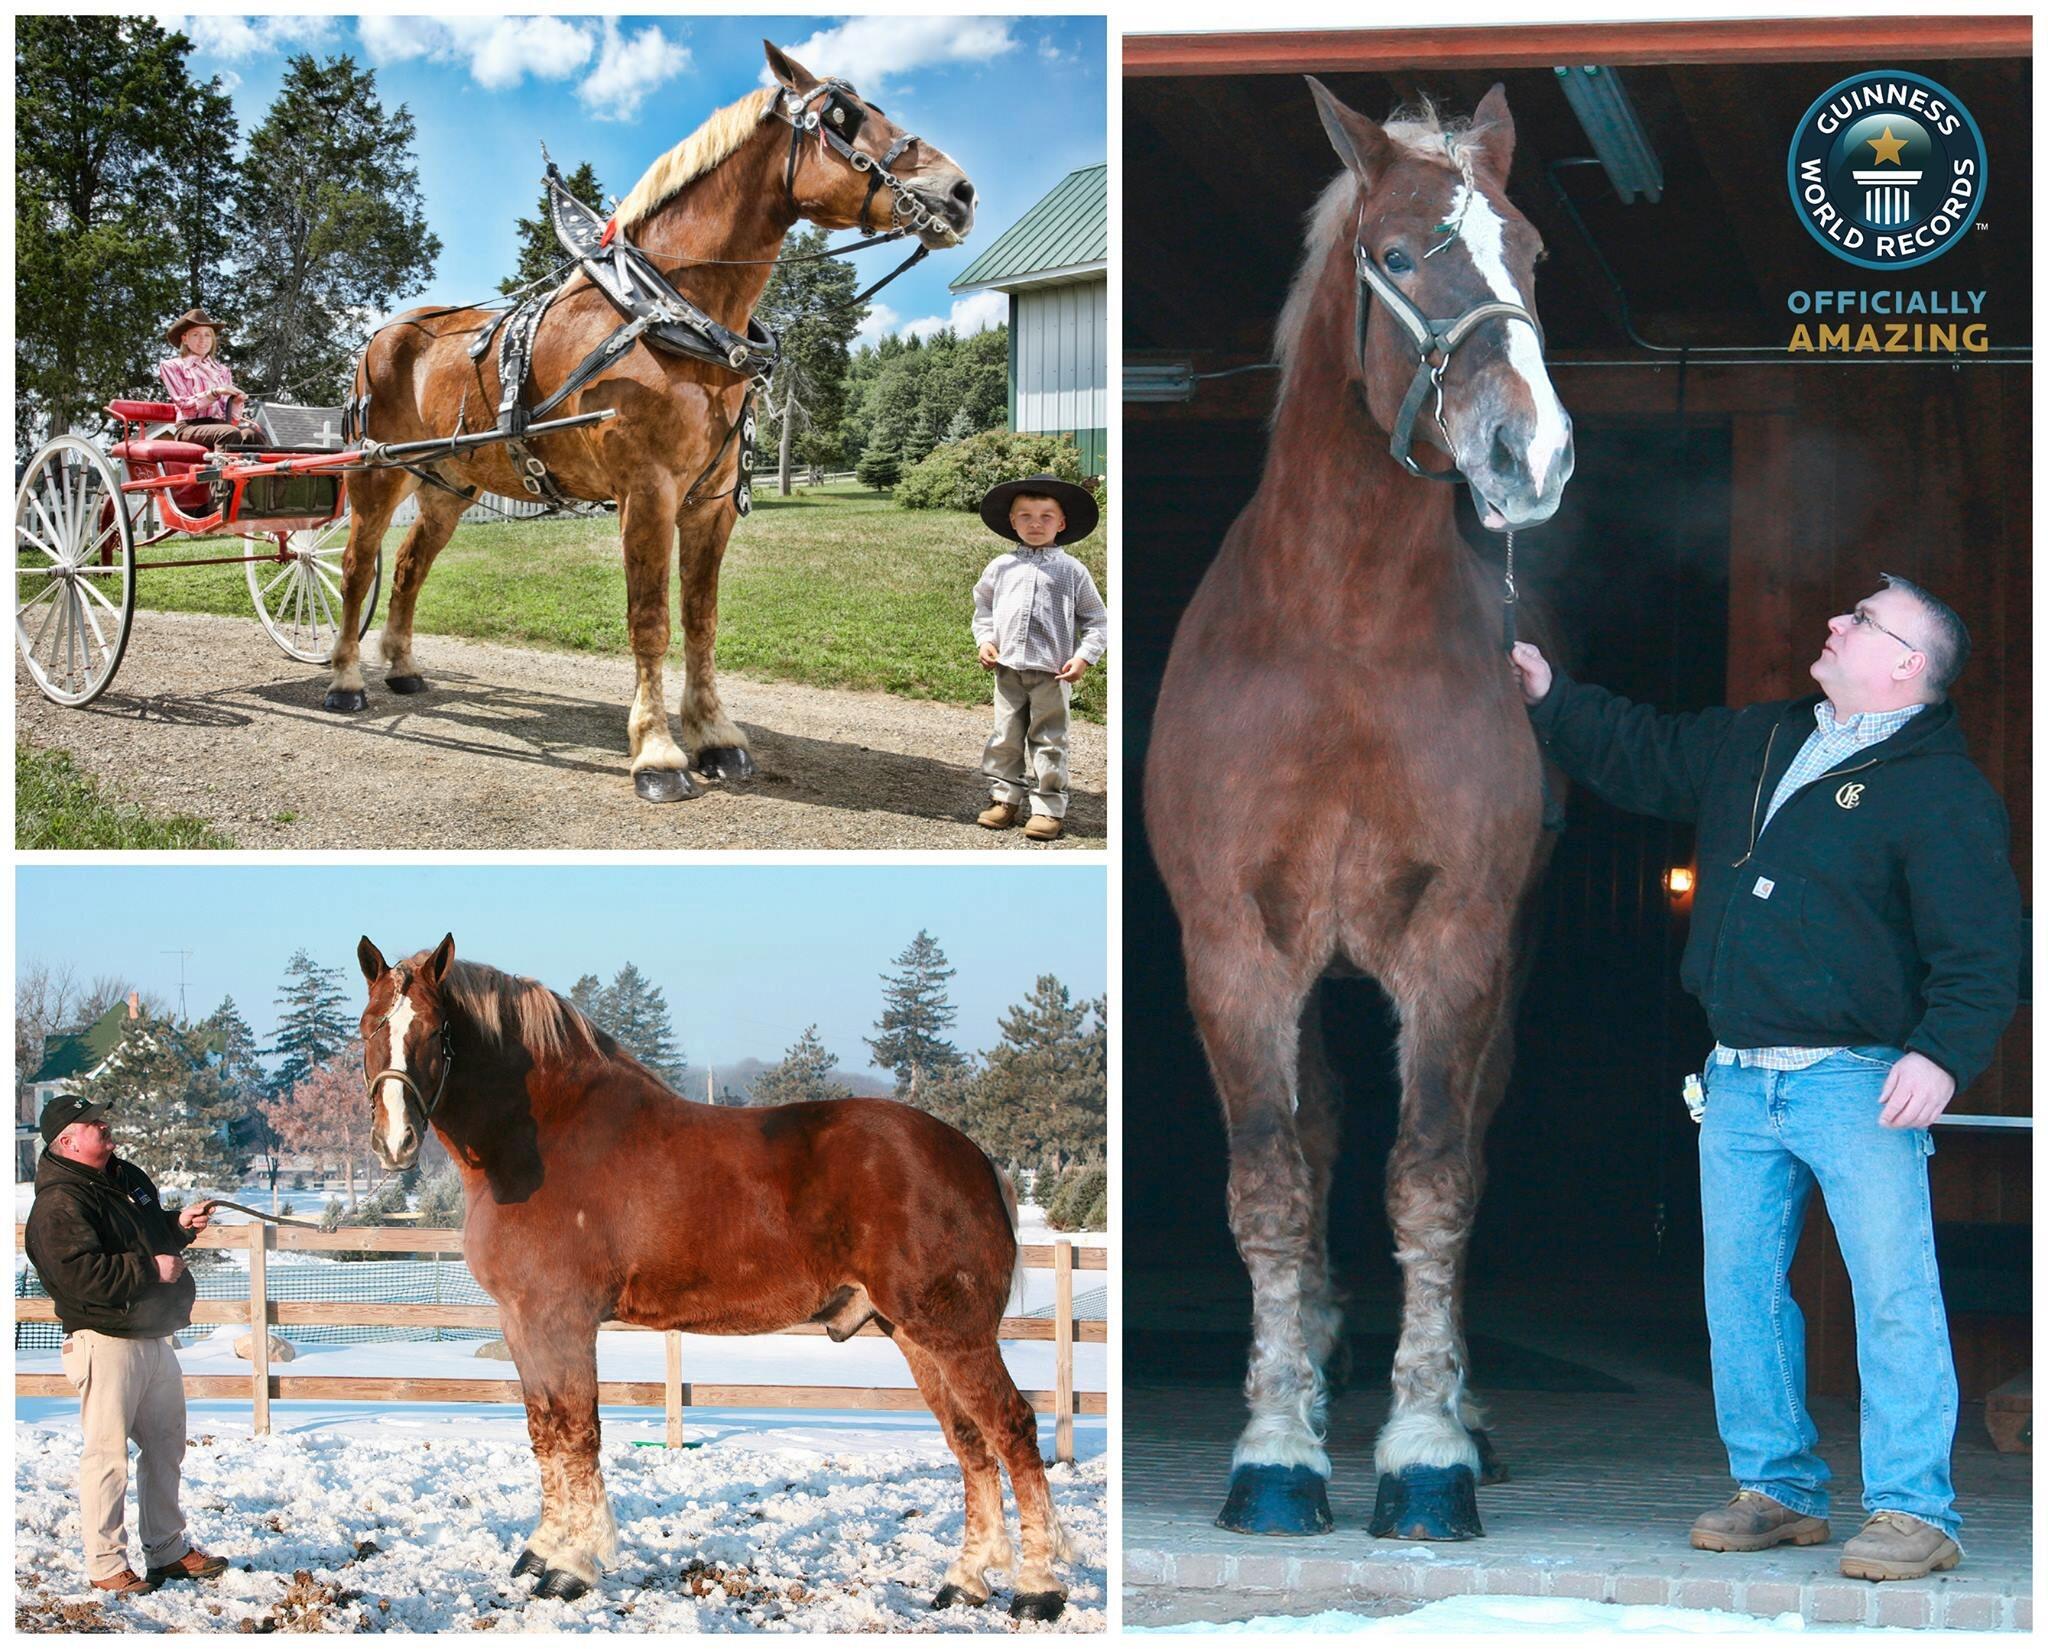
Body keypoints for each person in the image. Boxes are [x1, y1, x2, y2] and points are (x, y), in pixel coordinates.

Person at [1509, 575, 2021, 1583]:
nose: (1832, 623)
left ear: (1904, 665)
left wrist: (1942, 1053)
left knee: (1890, 1297)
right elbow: (1647, 753)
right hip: (1738, 1075)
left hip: (1857, 1079)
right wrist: (1547, 696)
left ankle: (1914, 1509)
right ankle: (1778, 1490)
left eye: (1860, 621)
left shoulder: (1938, 786)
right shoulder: (1761, 737)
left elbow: (1984, 947)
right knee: (1739, 1292)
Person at [24, 1095, 230, 1597]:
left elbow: (148, 1233)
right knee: (107, 1455)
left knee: (165, 1446)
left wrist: (177, 1227)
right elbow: (76, 1276)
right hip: (104, 1340)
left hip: (151, 1333)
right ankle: (105, 1563)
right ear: (67, 1141)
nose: (105, 1125)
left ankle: (166, 1550)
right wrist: (149, 1270)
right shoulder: (59, 1204)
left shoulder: (125, 1178)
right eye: (93, 1123)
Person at [970, 475, 1109, 843]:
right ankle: (1004, 798)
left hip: (1053, 673)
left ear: (1062, 524)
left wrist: (1084, 657)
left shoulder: (1072, 571)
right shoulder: (1000, 567)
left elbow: (1097, 620)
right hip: (1008, 669)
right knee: (1005, 736)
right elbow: (983, 608)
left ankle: (1048, 807)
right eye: (1026, 515)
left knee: (1049, 739)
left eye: (1046, 516)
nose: (1036, 523)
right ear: (1011, 522)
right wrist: (985, 640)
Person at [156, 308, 261, 449]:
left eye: (207, 335)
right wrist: (214, 392)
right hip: (190, 427)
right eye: (195, 334)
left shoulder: (223, 371)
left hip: (221, 425)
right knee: (228, 433)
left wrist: (236, 402)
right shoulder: (172, 366)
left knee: (253, 435)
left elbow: (229, 416)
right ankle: (218, 469)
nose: (202, 340)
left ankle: (264, 471)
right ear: (185, 339)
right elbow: (184, 405)